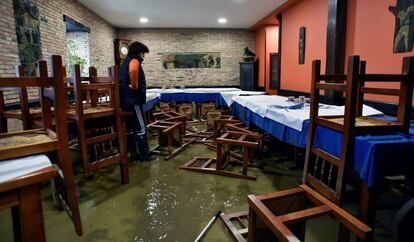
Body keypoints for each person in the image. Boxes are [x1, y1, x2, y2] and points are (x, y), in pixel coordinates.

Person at [119, 41, 155, 162]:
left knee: (131, 128)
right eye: (143, 53)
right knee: (141, 127)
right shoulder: (134, 61)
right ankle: (144, 155)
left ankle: (134, 154)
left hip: (125, 100)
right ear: (139, 52)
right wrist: (135, 86)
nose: (143, 56)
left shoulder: (125, 61)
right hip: (133, 99)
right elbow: (133, 71)